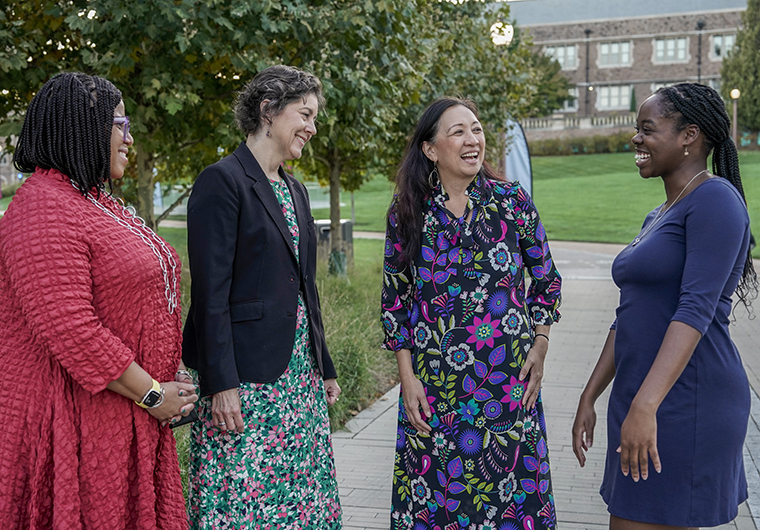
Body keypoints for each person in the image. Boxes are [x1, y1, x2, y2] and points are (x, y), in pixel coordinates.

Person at [0, 72, 198, 528]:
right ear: (83, 127)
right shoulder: (43, 206)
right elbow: (73, 331)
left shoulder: (94, 201)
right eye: (119, 124)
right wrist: (152, 393)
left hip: (131, 412)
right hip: (76, 422)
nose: (129, 138)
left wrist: (172, 372)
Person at [572, 83, 758, 529]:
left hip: (686, 399)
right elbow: (628, 315)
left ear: (689, 135)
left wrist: (646, 405)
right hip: (641, 395)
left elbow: (693, 310)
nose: (636, 139)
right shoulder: (658, 214)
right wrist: (590, 394)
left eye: (647, 129)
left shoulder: (715, 200)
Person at [382, 98, 562, 529]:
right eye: (458, 131)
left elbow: (546, 280)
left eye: (477, 130)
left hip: (506, 385)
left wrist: (541, 343)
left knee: (509, 503)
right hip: (436, 389)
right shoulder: (408, 214)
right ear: (430, 149)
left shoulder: (511, 202)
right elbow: (396, 303)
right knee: (440, 501)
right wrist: (407, 379)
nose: (472, 140)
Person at [183, 64, 342, 529]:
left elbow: (305, 287)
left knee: (298, 497)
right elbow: (210, 294)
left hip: (298, 380)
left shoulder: (294, 188)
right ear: (268, 110)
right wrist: (221, 384)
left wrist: (323, 364)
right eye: (305, 114)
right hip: (246, 381)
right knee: (244, 498)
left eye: (315, 118)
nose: (312, 128)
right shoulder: (222, 181)